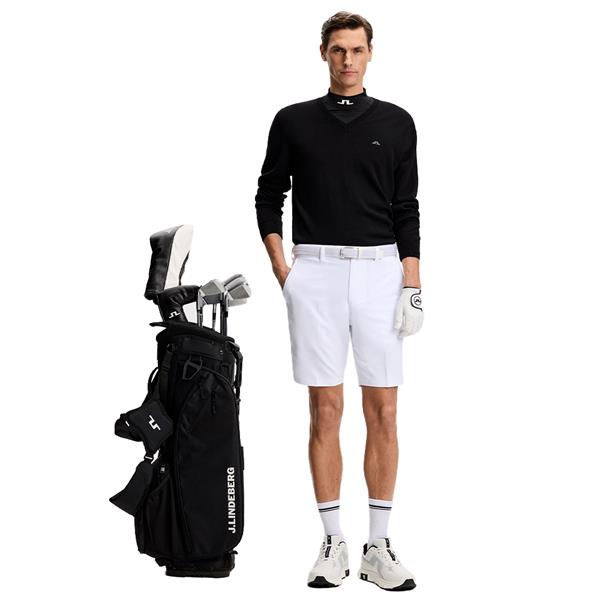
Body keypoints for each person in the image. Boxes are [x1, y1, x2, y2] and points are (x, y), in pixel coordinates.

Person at [254, 11, 423, 592]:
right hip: (316, 271)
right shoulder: (293, 121)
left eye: (356, 49)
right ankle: (332, 542)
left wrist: (412, 282)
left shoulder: (397, 122)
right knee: (325, 409)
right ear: (323, 54)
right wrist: (283, 269)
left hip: (380, 272)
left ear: (371, 53)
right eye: (337, 50)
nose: (347, 60)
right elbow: (268, 195)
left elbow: (407, 206)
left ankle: (379, 545)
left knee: (385, 411)